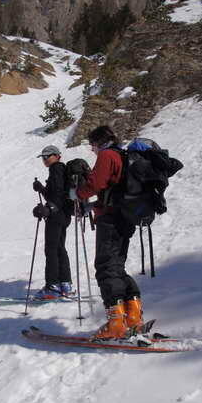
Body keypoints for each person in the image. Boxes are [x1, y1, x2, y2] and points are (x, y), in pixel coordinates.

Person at [76, 125, 145, 340]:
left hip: (111, 220)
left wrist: (77, 193)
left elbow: (95, 184)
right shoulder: (122, 155)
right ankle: (133, 317)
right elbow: (114, 191)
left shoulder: (107, 155)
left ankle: (116, 323)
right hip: (125, 217)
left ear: (99, 142)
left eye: (92, 145)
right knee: (116, 267)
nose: (92, 149)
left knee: (106, 268)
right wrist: (93, 205)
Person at [32, 145, 74, 299]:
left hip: (56, 216)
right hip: (64, 215)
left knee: (51, 250)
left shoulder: (56, 169)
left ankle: (52, 286)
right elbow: (56, 194)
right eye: (43, 157)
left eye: (47, 156)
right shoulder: (61, 170)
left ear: (57, 156)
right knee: (59, 248)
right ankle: (65, 284)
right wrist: (42, 189)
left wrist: (48, 209)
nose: (44, 159)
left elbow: (57, 195)